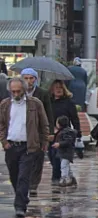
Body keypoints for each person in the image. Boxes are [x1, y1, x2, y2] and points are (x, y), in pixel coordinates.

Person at [0, 77, 50, 218]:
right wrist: (4, 141)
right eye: (13, 92)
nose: (16, 94)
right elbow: (1, 124)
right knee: (14, 176)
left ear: (24, 90)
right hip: (11, 146)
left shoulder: (35, 104)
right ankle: (22, 197)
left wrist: (44, 141)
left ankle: (20, 206)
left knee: (23, 177)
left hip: (28, 146)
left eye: (18, 91)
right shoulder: (5, 104)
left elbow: (44, 123)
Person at [22, 68, 54, 197]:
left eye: (31, 78)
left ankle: (34, 184)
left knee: (38, 157)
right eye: (26, 78)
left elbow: (49, 113)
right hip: (22, 131)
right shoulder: (18, 93)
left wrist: (49, 132)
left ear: (35, 79)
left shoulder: (43, 94)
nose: (29, 81)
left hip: (38, 131)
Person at [49, 80, 81, 184]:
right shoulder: (49, 102)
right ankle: (69, 176)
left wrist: (77, 132)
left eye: (60, 87)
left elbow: (75, 119)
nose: (58, 90)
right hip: (51, 133)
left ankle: (57, 178)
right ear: (52, 89)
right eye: (56, 87)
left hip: (64, 134)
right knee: (52, 156)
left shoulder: (68, 103)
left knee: (59, 157)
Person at [52, 115, 77, 187]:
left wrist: (59, 144)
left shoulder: (67, 132)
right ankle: (72, 178)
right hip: (63, 152)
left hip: (67, 152)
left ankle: (64, 179)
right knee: (66, 166)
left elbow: (68, 141)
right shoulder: (62, 131)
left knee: (63, 166)